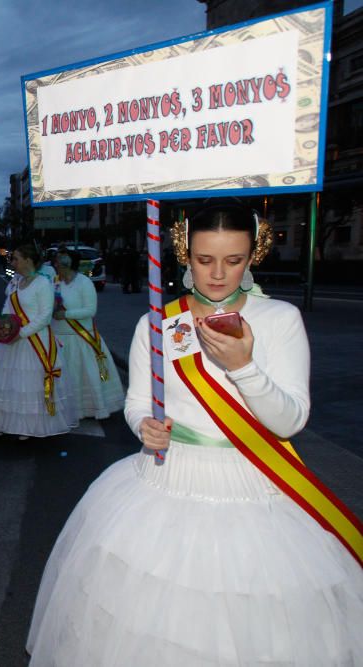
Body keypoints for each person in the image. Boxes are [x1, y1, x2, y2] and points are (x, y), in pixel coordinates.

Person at [26, 206, 363, 665]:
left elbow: (290, 422)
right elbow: (138, 403)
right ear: (186, 255)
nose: (219, 273)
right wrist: (144, 426)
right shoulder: (159, 323)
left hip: (255, 482)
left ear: (252, 256)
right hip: (165, 480)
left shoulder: (280, 319)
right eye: (205, 260)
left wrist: (243, 366)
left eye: (234, 259)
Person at [0, 245, 78, 439]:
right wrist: (4, 327)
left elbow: (45, 316)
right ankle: (3, 422)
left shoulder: (42, 283)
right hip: (13, 340)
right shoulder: (14, 282)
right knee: (9, 383)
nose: (13, 263)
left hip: (35, 340)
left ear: (28, 260)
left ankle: (30, 426)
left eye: (16, 258)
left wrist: (21, 333)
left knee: (30, 384)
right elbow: (7, 307)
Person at [52, 249, 125, 420]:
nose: (58, 264)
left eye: (62, 261)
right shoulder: (54, 283)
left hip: (81, 338)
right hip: (58, 338)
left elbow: (90, 310)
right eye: (57, 261)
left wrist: (66, 314)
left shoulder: (84, 282)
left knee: (83, 375)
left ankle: (87, 408)